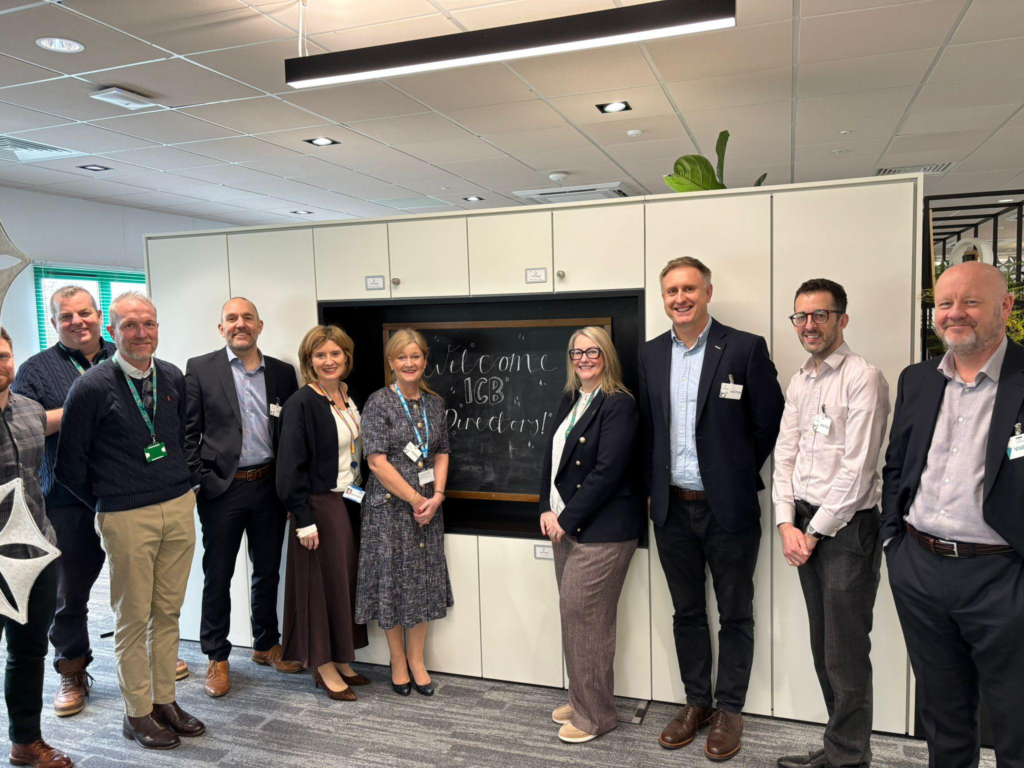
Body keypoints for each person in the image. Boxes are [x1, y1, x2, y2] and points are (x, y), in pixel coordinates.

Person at [638, 256, 784, 760]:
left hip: (729, 509)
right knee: (687, 612)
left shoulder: (742, 348)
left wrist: (736, 472)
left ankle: (730, 709)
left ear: (707, 292)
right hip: (672, 510)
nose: (680, 298)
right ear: (664, 298)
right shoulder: (651, 354)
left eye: (689, 289)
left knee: (735, 613)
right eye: (671, 291)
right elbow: (648, 430)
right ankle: (697, 703)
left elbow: (770, 422)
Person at [882, 261, 1024, 768]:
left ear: (1005, 307)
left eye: (970, 301)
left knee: (1015, 720)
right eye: (944, 303)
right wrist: (892, 543)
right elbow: (897, 463)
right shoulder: (918, 379)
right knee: (943, 716)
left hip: (1004, 575)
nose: (954, 313)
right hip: (920, 567)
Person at [55, 292, 205, 751]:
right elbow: (69, 467)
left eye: (150, 325)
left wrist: (182, 483)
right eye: (130, 326)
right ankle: (136, 712)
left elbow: (181, 438)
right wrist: (112, 501)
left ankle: (164, 701)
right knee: (132, 618)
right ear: (112, 331)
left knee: (168, 612)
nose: (142, 334)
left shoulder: (173, 377)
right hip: (125, 515)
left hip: (178, 506)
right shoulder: (92, 387)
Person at [771, 279, 890, 768]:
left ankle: (849, 759)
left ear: (842, 318)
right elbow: (785, 454)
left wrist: (814, 532)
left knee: (845, 654)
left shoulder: (865, 377)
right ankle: (839, 750)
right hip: (802, 526)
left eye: (820, 315)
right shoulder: (801, 380)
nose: (809, 325)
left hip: (845, 532)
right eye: (801, 316)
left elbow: (859, 470)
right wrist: (785, 524)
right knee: (824, 646)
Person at [185, 298, 302, 699]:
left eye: (247, 318)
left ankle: (265, 644)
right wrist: (199, 481)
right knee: (217, 574)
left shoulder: (284, 374)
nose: (240, 324)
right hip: (222, 488)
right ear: (221, 329)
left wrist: (291, 487)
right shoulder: (200, 368)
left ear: (260, 325)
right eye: (232, 319)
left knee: (267, 570)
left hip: (269, 486)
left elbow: (291, 433)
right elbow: (189, 432)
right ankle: (217, 656)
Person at [539, 326, 643, 744]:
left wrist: (566, 519)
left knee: (588, 621)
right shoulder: (571, 397)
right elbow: (549, 459)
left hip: (604, 531)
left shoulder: (619, 404)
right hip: (566, 526)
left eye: (592, 351)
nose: (583, 358)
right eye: (576, 352)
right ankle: (583, 698)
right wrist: (545, 509)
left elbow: (607, 473)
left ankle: (596, 715)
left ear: (607, 355)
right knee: (576, 617)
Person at [356, 328, 452, 697]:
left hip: (429, 509)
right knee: (392, 584)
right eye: (401, 357)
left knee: (423, 584)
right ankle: (397, 660)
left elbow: (441, 451)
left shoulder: (434, 404)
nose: (409, 363)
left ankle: (417, 659)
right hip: (390, 512)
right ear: (391, 362)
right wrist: (415, 499)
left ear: (425, 359)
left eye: (416, 356)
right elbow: (377, 462)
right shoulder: (378, 403)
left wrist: (438, 495)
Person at [276, 325, 369, 700]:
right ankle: (323, 665)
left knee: (342, 583)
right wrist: (304, 519)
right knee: (320, 585)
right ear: (308, 361)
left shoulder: (346, 394)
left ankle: (342, 658)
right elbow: (288, 470)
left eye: (335, 353)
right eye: (320, 355)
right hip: (318, 504)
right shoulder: (302, 402)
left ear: (346, 357)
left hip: (349, 500)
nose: (329, 361)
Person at [0, 327, 74, 768]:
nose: (1, 363)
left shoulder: (28, 409)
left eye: (4, 354)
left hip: (35, 553)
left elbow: (63, 417)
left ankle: (26, 742)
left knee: (28, 652)